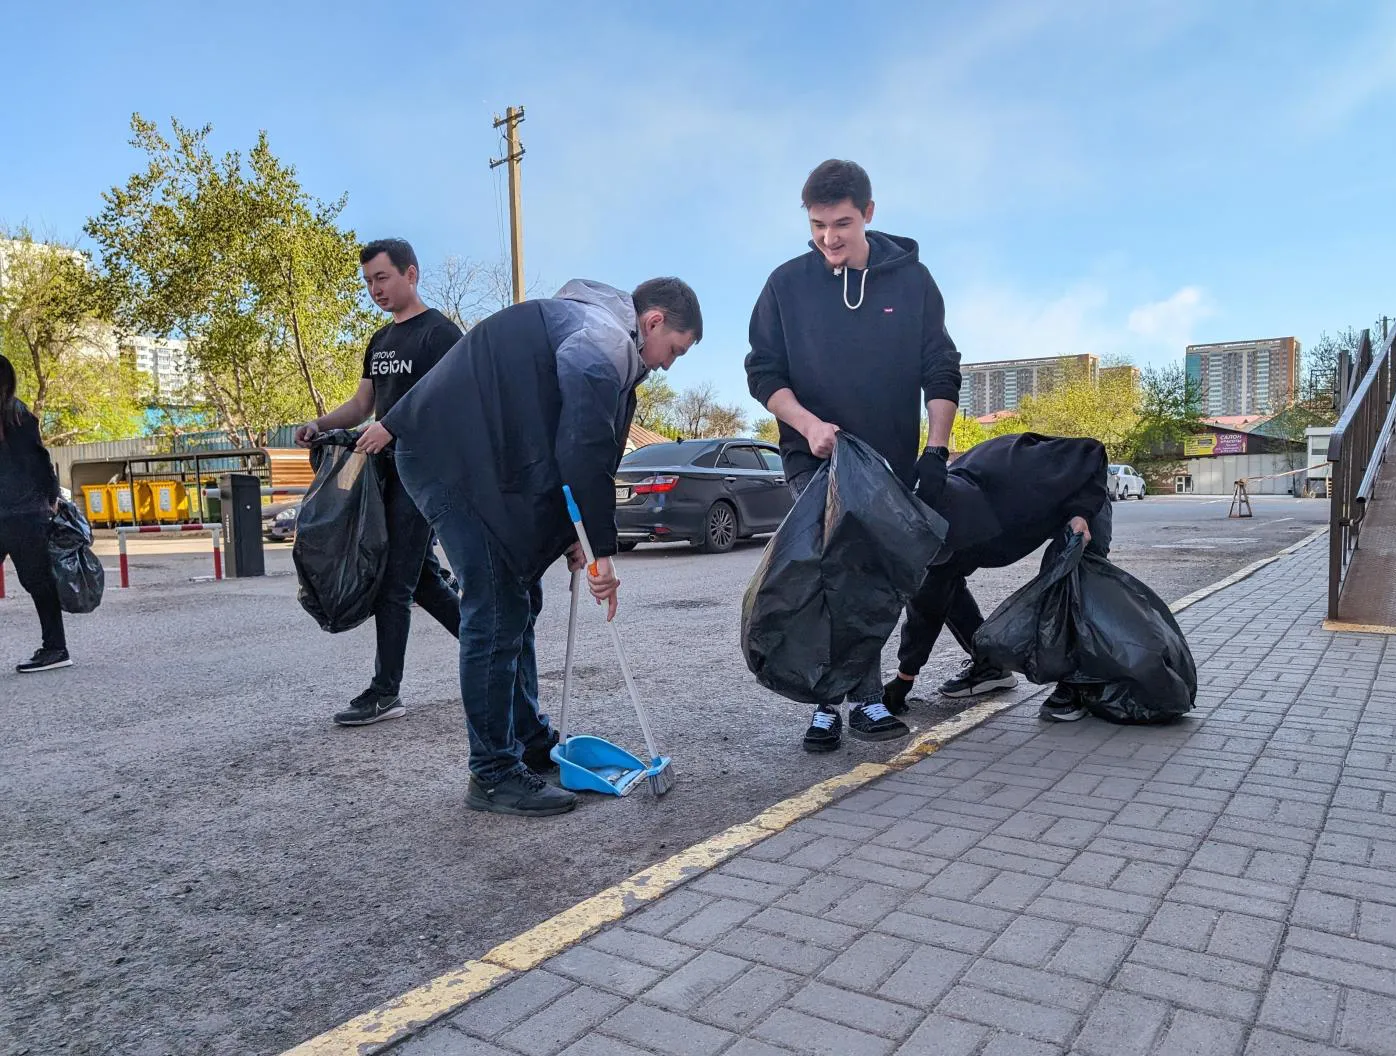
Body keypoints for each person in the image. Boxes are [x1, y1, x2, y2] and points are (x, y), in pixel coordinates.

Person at [378, 277, 702, 817]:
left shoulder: (591, 328)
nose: (669, 364)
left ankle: (528, 741)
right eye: (674, 349)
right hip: (452, 462)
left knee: (520, 599)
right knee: (497, 607)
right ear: (653, 322)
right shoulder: (601, 343)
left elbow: (551, 432)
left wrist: (571, 534)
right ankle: (493, 773)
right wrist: (600, 550)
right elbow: (583, 445)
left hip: (479, 460)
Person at [746, 158, 961, 753]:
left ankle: (862, 698)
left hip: (887, 459)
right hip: (813, 453)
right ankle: (825, 704)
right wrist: (809, 425)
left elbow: (940, 368)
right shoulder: (785, 285)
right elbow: (763, 373)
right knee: (823, 571)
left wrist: (936, 449)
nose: (828, 238)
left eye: (840, 223)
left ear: (868, 213)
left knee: (867, 575)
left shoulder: (913, 282)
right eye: (816, 225)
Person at [294, 239, 464, 727]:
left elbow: (450, 405)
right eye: (368, 281)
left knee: (395, 581)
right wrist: (321, 425)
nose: (375, 289)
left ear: (411, 274)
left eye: (382, 278)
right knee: (422, 580)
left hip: (423, 475)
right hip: (379, 475)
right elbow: (363, 405)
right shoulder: (380, 341)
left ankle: (385, 691)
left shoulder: (440, 335)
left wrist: (400, 429)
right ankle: (498, 649)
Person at [881, 432, 1112, 723]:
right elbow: (927, 606)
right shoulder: (935, 516)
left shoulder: (1021, 474)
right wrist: (905, 677)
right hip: (1005, 514)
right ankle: (989, 666)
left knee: (1074, 580)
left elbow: (1092, 451)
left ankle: (1079, 682)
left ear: (965, 530)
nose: (941, 554)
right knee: (941, 582)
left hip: (1083, 497)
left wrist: (1082, 512)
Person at [0, 354, 69, 673]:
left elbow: (39, 459)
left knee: (38, 581)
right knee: (38, 581)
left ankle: (55, 649)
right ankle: (54, 647)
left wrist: (52, 496)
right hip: (11, 512)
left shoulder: (16, 415)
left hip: (26, 513)